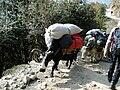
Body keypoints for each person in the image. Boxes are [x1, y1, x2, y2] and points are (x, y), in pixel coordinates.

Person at [104, 21, 120, 90]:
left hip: (114, 49)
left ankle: (110, 78)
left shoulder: (115, 29)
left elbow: (109, 40)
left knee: (112, 64)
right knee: (119, 67)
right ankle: (113, 82)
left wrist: (106, 50)